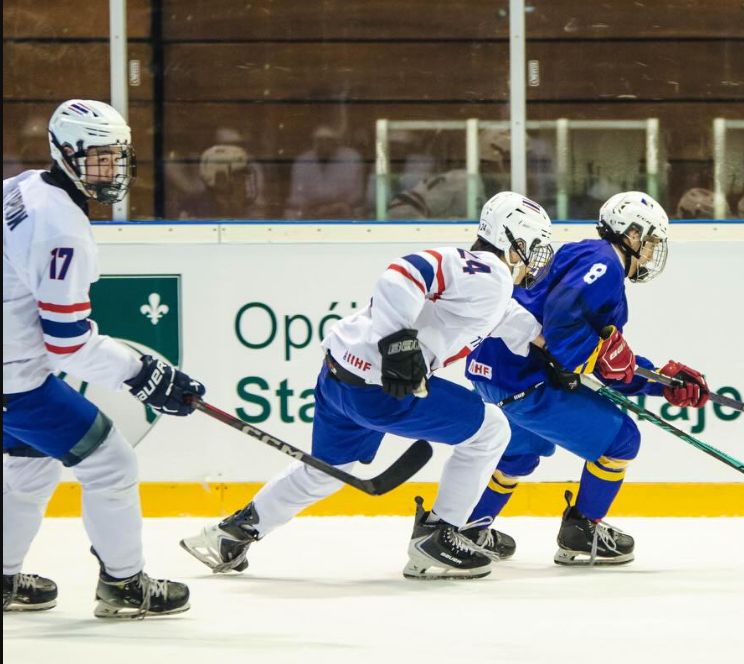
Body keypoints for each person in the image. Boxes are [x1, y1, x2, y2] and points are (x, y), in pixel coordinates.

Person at [181, 191, 555, 580]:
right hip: (380, 391)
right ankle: (437, 537)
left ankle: (231, 534)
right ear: (514, 242)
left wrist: (548, 344)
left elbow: (505, 316)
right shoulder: (492, 273)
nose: (536, 259)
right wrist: (398, 342)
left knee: (325, 471)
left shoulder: (485, 284)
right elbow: (404, 272)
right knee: (491, 431)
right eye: (535, 247)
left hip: (337, 378)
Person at [2, 99, 207, 618]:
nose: (110, 169)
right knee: (111, 462)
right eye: (97, 157)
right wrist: (142, 374)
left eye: (116, 157)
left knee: (31, 468)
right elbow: (67, 342)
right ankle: (124, 585)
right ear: (64, 153)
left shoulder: (26, 186)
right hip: (14, 381)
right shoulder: (61, 228)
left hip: (12, 369)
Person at [462, 191, 710, 565]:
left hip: (493, 368)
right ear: (632, 234)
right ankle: (583, 531)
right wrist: (591, 357)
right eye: (650, 242)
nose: (650, 254)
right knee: (621, 440)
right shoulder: (605, 265)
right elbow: (566, 323)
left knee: (520, 453)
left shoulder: (582, 252)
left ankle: (467, 529)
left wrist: (661, 381)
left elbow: (603, 359)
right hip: (524, 377)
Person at [386, 129, 511, 219]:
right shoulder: (459, 181)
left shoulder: (507, 188)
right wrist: (431, 234)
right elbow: (400, 208)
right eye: (508, 159)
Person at [285, 125, 365, 219]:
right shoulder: (302, 162)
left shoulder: (352, 159)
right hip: (311, 213)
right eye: (319, 141)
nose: (323, 144)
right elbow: (296, 196)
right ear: (313, 143)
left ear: (336, 142)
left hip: (343, 212)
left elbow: (357, 196)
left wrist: (336, 206)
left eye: (328, 140)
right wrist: (310, 207)